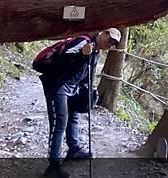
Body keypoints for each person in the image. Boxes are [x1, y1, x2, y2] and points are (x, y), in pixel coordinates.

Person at [40, 28, 121, 177]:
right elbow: (62, 57)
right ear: (102, 33)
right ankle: (53, 166)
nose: (110, 44)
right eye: (109, 39)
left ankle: (74, 149)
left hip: (72, 87)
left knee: (73, 117)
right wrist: (82, 54)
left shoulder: (96, 51)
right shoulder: (83, 41)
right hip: (58, 85)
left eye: (113, 43)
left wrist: (88, 92)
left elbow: (87, 73)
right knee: (59, 123)